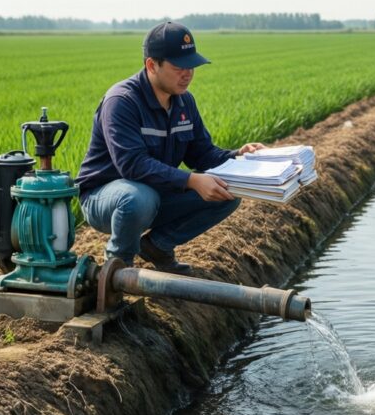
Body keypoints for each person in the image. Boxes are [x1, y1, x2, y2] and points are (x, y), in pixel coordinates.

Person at [75, 21, 266, 275]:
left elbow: (202, 153)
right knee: (138, 197)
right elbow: (132, 164)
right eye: (179, 67)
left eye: (192, 66)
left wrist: (237, 156)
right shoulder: (122, 101)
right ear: (152, 65)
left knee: (226, 192)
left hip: (154, 193)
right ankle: (116, 267)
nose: (188, 74)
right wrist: (191, 180)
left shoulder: (184, 102)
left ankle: (157, 246)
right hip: (105, 198)